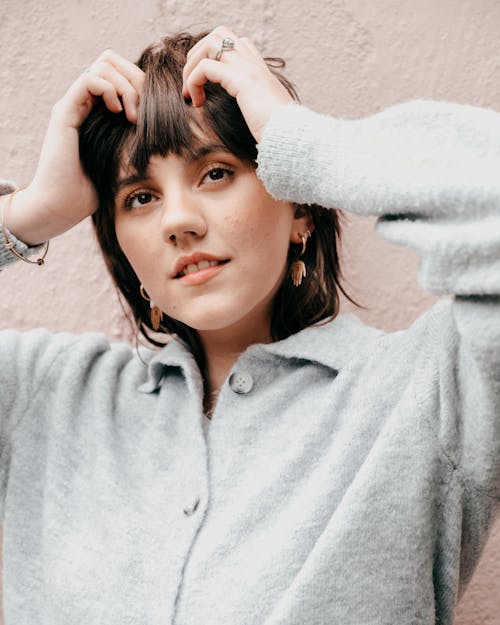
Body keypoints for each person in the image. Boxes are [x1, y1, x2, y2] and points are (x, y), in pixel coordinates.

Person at [0, 25, 499, 625]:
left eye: (215, 172)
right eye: (139, 197)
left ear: (300, 211)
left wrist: (306, 143)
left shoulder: (426, 396)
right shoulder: (41, 396)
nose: (178, 222)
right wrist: (28, 215)